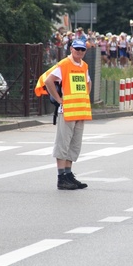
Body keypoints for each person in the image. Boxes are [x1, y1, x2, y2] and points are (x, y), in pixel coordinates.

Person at [43, 39, 92, 190]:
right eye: (77, 49)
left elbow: (88, 83)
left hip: (80, 110)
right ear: (71, 49)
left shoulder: (84, 66)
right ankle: (61, 177)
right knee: (63, 144)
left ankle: (68, 174)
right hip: (67, 111)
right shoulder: (64, 64)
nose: (80, 52)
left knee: (74, 145)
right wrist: (59, 99)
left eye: (82, 50)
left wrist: (84, 97)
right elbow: (48, 81)